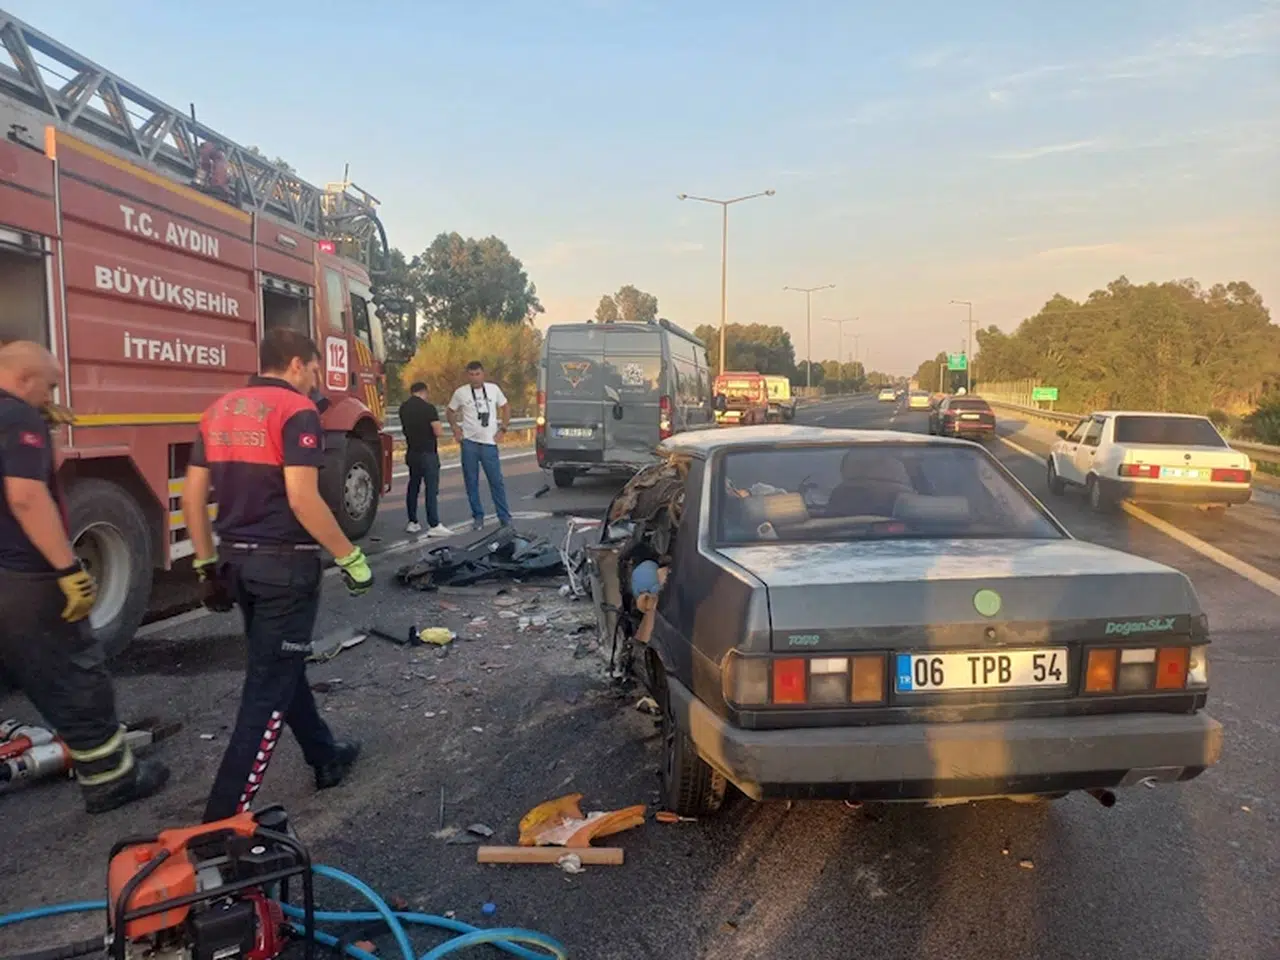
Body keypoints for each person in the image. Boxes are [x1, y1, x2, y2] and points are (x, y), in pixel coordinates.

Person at [182, 328, 373, 823]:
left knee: (280, 664)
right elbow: (302, 498)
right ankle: (221, 824)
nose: (315, 381)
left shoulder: (218, 411)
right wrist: (350, 556)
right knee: (265, 691)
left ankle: (325, 755)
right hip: (284, 568)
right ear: (294, 364)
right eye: (313, 370)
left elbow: (192, 497)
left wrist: (205, 563)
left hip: (237, 565)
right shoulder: (296, 411)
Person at [0, 341, 169, 813]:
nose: (52, 396)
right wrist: (68, 569)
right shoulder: (18, 418)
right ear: (23, 379)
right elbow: (26, 498)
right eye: (49, 386)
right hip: (27, 574)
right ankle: (111, 780)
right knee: (77, 676)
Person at [446, 361, 512, 531]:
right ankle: (478, 516)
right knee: (471, 482)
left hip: (489, 442)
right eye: (471, 374)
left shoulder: (493, 389)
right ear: (467, 375)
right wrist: (455, 428)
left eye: (478, 374)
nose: (475, 378)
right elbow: (450, 411)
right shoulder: (461, 392)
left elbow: (505, 407)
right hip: (469, 442)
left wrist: (503, 429)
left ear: (483, 374)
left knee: (496, 481)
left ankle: (504, 517)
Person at [399, 382, 452, 537]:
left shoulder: (403, 408)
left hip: (412, 452)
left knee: (413, 486)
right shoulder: (428, 408)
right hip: (428, 453)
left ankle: (412, 522)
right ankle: (434, 524)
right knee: (431, 489)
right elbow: (438, 431)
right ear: (424, 392)